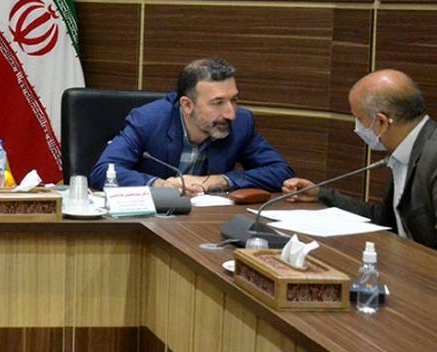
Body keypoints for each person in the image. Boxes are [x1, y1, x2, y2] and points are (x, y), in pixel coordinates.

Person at [90, 57, 293, 194]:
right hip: (150, 223)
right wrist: (160, 185)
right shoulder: (148, 120)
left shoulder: (241, 123)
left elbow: (281, 172)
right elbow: (103, 172)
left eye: (234, 100)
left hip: (205, 223)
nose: (230, 113)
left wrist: (217, 181)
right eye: (218, 102)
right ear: (187, 105)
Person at [282, 70, 436, 248]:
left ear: (382, 122)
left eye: (359, 118)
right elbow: (384, 219)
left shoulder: (432, 157)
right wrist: (321, 194)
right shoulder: (404, 153)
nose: (357, 127)